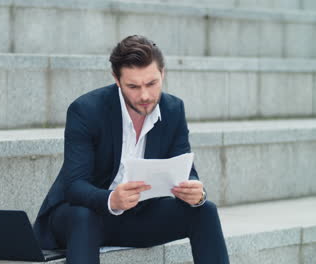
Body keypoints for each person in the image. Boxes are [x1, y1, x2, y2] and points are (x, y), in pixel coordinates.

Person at [33, 35, 230, 264]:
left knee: (204, 210)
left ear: (162, 74)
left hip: (138, 216)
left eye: (151, 83)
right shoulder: (86, 110)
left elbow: (185, 168)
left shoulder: (173, 109)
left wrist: (196, 192)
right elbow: (74, 186)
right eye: (133, 86)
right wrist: (111, 200)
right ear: (117, 79)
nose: (145, 95)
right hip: (85, 215)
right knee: (83, 216)